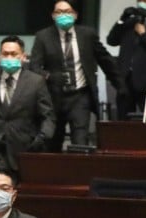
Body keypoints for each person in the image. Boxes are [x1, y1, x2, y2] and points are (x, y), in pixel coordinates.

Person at [29, 1, 123, 150]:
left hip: (80, 97)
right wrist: (49, 76)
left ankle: (79, 172)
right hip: (53, 98)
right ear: (53, 16)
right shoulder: (43, 37)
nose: (63, 15)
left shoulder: (87, 34)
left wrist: (120, 84)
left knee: (80, 143)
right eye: (59, 12)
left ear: (75, 15)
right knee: (52, 143)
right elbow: (33, 67)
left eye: (67, 11)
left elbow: (105, 59)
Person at [0, 36, 55, 174]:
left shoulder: (36, 82)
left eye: (14, 54)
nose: (9, 57)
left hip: (25, 149)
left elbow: (48, 116)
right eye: (5, 54)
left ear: (23, 57)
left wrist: (42, 138)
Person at [106, 0, 146, 120]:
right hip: (125, 81)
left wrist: (144, 34)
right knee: (123, 122)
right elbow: (111, 40)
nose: (142, 2)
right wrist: (122, 19)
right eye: (140, 0)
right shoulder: (129, 23)